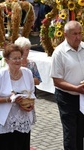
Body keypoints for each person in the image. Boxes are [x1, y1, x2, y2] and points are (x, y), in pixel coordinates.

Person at [0, 44, 36, 150]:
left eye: (19, 58)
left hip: (22, 120)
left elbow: (31, 94)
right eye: (14, 58)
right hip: (4, 121)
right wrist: (8, 99)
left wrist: (29, 105)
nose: (18, 61)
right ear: (7, 60)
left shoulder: (27, 73)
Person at [50, 20, 84, 150]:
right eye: (74, 34)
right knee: (70, 133)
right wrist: (76, 88)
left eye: (80, 33)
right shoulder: (59, 53)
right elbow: (57, 80)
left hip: (82, 97)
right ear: (65, 34)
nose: (78, 37)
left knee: (80, 132)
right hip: (67, 98)